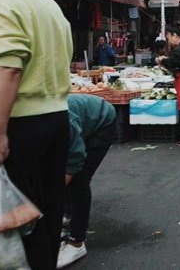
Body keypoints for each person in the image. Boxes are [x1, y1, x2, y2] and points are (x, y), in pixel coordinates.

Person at [0, 0, 73, 269]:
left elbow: (7, 67)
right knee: (48, 210)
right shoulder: (49, 4)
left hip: (20, 123)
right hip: (57, 118)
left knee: (17, 216)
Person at [57, 94, 117, 268]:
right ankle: (67, 214)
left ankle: (76, 242)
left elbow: (74, 159)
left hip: (102, 121)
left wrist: (52, 195)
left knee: (78, 180)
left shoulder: (59, 117)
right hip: (80, 121)